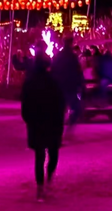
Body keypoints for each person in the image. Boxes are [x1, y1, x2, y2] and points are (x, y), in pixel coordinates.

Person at [20, 48, 66, 200]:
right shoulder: (55, 81)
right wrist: (60, 120)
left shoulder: (29, 82)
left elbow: (25, 105)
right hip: (53, 123)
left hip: (37, 123)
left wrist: (29, 119)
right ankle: (49, 177)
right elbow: (61, 103)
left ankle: (40, 187)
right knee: (53, 153)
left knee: (39, 156)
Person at [52, 36, 85, 128]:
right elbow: (78, 71)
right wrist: (81, 84)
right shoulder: (72, 56)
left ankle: (60, 126)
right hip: (71, 86)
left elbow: (54, 70)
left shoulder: (59, 56)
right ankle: (70, 123)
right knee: (76, 107)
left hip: (61, 85)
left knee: (61, 107)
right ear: (71, 44)